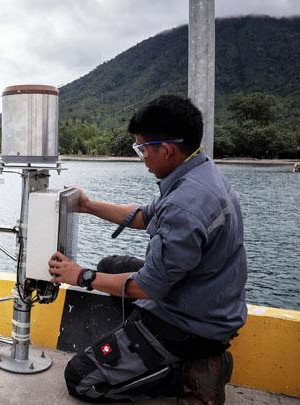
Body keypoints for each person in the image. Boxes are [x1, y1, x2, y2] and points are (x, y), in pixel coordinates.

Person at [48, 95, 247, 404]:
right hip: (204, 295)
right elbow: (144, 216)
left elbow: (146, 287)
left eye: (142, 149)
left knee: (81, 379)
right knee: (111, 264)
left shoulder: (186, 205)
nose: (141, 157)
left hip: (190, 323)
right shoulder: (198, 172)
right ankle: (139, 346)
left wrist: (81, 275)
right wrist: (86, 206)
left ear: (166, 149)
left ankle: (191, 373)